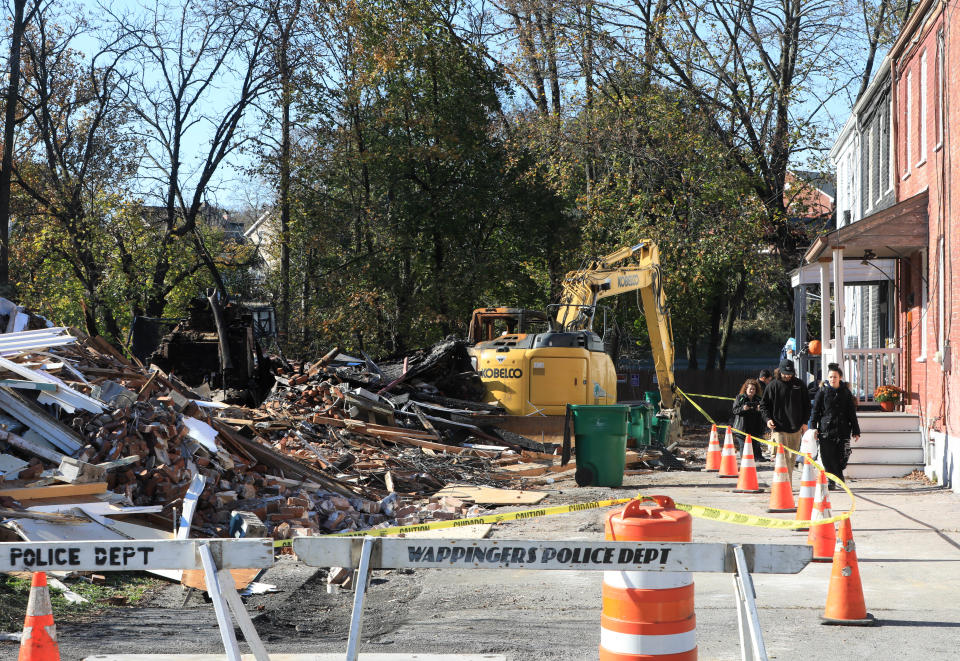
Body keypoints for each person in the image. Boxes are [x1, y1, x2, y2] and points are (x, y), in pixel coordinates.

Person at [809, 363, 860, 490]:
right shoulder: (822, 391)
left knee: (842, 456)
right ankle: (832, 479)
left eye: (835, 377)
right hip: (826, 429)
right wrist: (813, 427)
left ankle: (839, 475)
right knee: (827, 456)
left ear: (840, 378)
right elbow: (815, 411)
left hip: (842, 429)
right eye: (830, 377)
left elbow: (851, 413)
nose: (832, 379)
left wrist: (856, 430)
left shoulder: (846, 393)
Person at [759, 358, 811, 481]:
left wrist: (804, 422)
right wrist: (768, 419)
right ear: (779, 372)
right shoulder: (773, 385)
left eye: (790, 373)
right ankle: (785, 484)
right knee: (783, 457)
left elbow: (807, 405)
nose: (787, 376)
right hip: (779, 427)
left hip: (796, 426)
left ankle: (787, 482)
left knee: (792, 458)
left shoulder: (799, 384)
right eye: (785, 373)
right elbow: (764, 405)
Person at [731, 379, 767, 460]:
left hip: (754, 427)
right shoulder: (740, 398)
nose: (752, 390)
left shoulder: (758, 399)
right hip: (741, 428)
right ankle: (745, 461)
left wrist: (759, 410)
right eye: (750, 389)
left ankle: (758, 458)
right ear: (746, 389)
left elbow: (764, 412)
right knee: (744, 446)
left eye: (754, 389)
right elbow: (734, 410)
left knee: (756, 444)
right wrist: (743, 408)